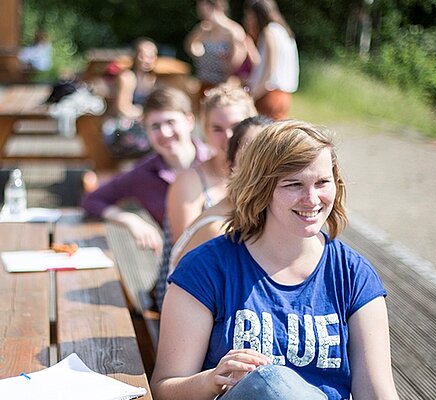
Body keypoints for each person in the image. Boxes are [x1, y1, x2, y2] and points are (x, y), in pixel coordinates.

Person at [151, 120, 400, 400]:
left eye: (322, 183)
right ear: (261, 188)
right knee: (271, 382)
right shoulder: (205, 269)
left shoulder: (353, 274)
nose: (311, 199)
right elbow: (164, 388)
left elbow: (377, 393)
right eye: (294, 184)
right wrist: (212, 379)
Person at [152, 83, 257, 310]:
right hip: (189, 289)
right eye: (217, 129)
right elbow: (190, 256)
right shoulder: (190, 181)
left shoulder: (262, 178)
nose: (229, 137)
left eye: (237, 127)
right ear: (205, 131)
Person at [81, 86, 211, 254]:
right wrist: (130, 219)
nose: (164, 132)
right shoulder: (144, 173)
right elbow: (91, 201)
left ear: (189, 121)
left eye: (171, 122)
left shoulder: (214, 161)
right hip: (177, 266)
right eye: (155, 126)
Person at [167, 115, 273, 274]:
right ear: (231, 165)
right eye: (250, 154)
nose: (260, 164)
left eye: (270, 155)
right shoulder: (219, 231)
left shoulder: (258, 217)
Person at [243, 0, 299, 120]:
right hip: (283, 95)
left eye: (250, 16)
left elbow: (270, 71)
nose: (248, 20)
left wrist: (252, 96)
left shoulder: (269, 32)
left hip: (268, 95)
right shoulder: (283, 31)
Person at [103, 37, 158, 158]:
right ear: (135, 55)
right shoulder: (127, 77)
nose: (147, 59)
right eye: (142, 55)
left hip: (143, 124)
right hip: (120, 127)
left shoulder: (153, 80)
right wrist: (148, 114)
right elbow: (122, 108)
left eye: (151, 55)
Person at [184, 0, 248, 101]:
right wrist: (199, 32)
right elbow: (190, 49)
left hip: (224, 89)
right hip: (203, 85)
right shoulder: (203, 28)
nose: (199, 9)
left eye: (202, 5)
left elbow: (237, 65)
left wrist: (226, 30)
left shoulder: (233, 30)